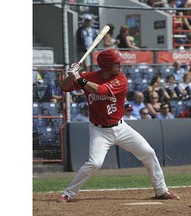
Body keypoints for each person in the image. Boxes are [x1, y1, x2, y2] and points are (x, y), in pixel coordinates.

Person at [57, 48, 179, 202]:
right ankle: (68, 193)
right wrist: (71, 75)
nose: (120, 65)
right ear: (107, 65)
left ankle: (161, 190)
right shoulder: (90, 77)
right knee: (95, 163)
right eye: (116, 63)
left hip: (120, 128)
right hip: (99, 130)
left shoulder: (120, 79)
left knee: (148, 152)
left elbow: (101, 91)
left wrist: (79, 78)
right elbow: (64, 87)